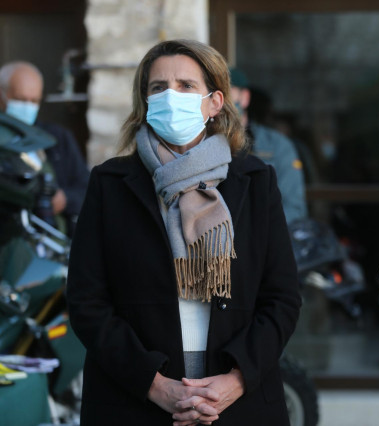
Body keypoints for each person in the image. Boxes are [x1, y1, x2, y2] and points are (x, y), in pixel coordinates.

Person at [66, 39, 301, 425]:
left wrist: (235, 380)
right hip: (132, 402)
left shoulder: (256, 182)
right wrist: (155, 385)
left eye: (186, 86)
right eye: (158, 87)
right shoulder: (110, 184)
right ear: (145, 101)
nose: (170, 97)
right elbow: (87, 301)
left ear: (215, 102)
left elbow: (282, 298)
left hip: (239, 404)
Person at [0, 61, 89, 235]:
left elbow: (86, 188)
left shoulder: (56, 139)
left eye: (34, 101)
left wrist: (63, 199)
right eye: (20, 99)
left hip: (52, 241)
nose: (27, 106)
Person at [229, 67, 307, 223]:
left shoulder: (277, 146)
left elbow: (294, 208)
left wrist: (254, 227)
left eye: (227, 92)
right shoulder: (203, 142)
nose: (221, 101)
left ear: (244, 98)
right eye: (214, 93)